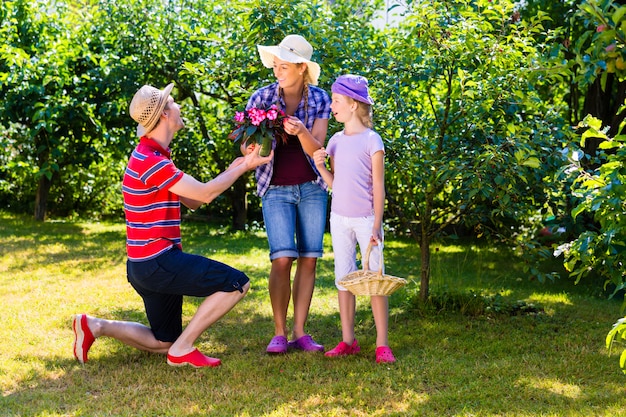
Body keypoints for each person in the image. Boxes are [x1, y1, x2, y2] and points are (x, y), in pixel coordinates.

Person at [72, 83, 273, 368]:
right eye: (174, 102)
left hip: (142, 265)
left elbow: (193, 200)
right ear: (165, 113)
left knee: (163, 341)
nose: (179, 107)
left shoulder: (153, 156)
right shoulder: (152, 162)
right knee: (237, 283)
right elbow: (203, 194)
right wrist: (243, 167)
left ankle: (95, 326)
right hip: (158, 261)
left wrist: (239, 164)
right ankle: (184, 348)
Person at [244, 34, 331, 354]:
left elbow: (318, 149)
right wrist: (254, 144)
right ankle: (279, 332)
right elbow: (245, 144)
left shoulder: (320, 99)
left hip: (312, 188)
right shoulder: (262, 97)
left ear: (301, 68)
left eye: (283, 66)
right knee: (282, 258)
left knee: (309, 260)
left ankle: (300, 332)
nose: (277, 70)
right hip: (276, 188)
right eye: (275, 65)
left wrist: (301, 131)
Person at [313, 74, 396, 363]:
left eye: (336, 101)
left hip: (366, 221)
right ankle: (348, 340)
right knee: (343, 277)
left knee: (375, 278)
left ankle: (382, 343)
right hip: (340, 219)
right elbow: (335, 183)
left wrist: (376, 225)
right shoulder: (335, 141)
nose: (332, 105)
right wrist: (320, 166)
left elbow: (378, 186)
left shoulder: (372, 140)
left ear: (353, 104)